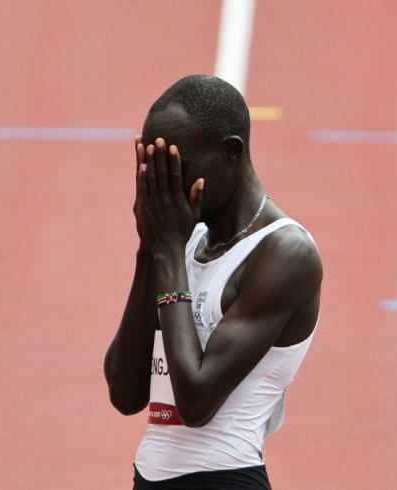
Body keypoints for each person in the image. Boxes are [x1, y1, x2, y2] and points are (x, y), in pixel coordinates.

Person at [104, 75, 322, 489]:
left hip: (223, 478)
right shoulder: (185, 241)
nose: (164, 187)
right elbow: (125, 392)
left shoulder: (284, 253)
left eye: (177, 169)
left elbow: (196, 401)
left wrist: (167, 253)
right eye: (155, 170)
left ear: (230, 152)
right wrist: (148, 248)